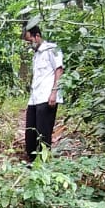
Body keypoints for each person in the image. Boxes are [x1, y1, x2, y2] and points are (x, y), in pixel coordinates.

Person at [22, 26, 63, 160]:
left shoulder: (52, 49)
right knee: (30, 132)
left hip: (47, 97)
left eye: (30, 41)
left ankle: (43, 163)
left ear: (37, 36)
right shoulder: (36, 54)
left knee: (43, 133)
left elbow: (59, 70)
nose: (29, 44)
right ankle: (32, 161)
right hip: (35, 98)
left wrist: (54, 92)